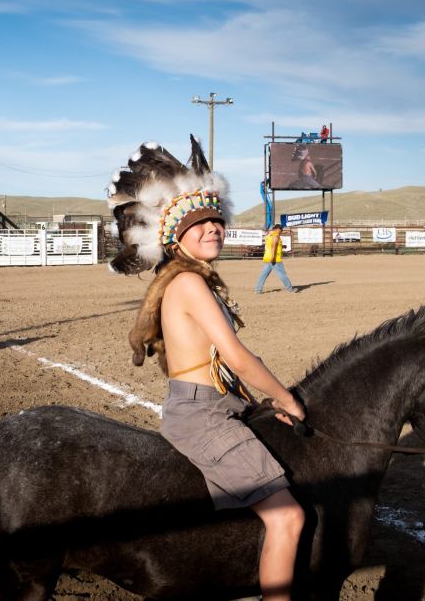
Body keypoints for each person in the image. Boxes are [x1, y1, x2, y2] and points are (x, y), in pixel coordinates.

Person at [109, 138, 306, 600]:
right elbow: (235, 356)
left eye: (217, 222)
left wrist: (255, 404)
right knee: (289, 516)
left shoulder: (186, 281)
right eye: (201, 225)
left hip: (216, 406)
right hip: (201, 415)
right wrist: (287, 399)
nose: (214, 229)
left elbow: (221, 367)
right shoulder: (189, 283)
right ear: (177, 237)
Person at [255, 224, 296, 294]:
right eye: (281, 230)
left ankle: (258, 290)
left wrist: (282, 246)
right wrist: (273, 258)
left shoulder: (269, 236)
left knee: (264, 274)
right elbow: (273, 247)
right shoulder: (276, 236)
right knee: (282, 274)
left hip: (267, 258)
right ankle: (290, 289)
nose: (281, 232)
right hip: (275, 259)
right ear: (277, 229)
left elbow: (272, 245)